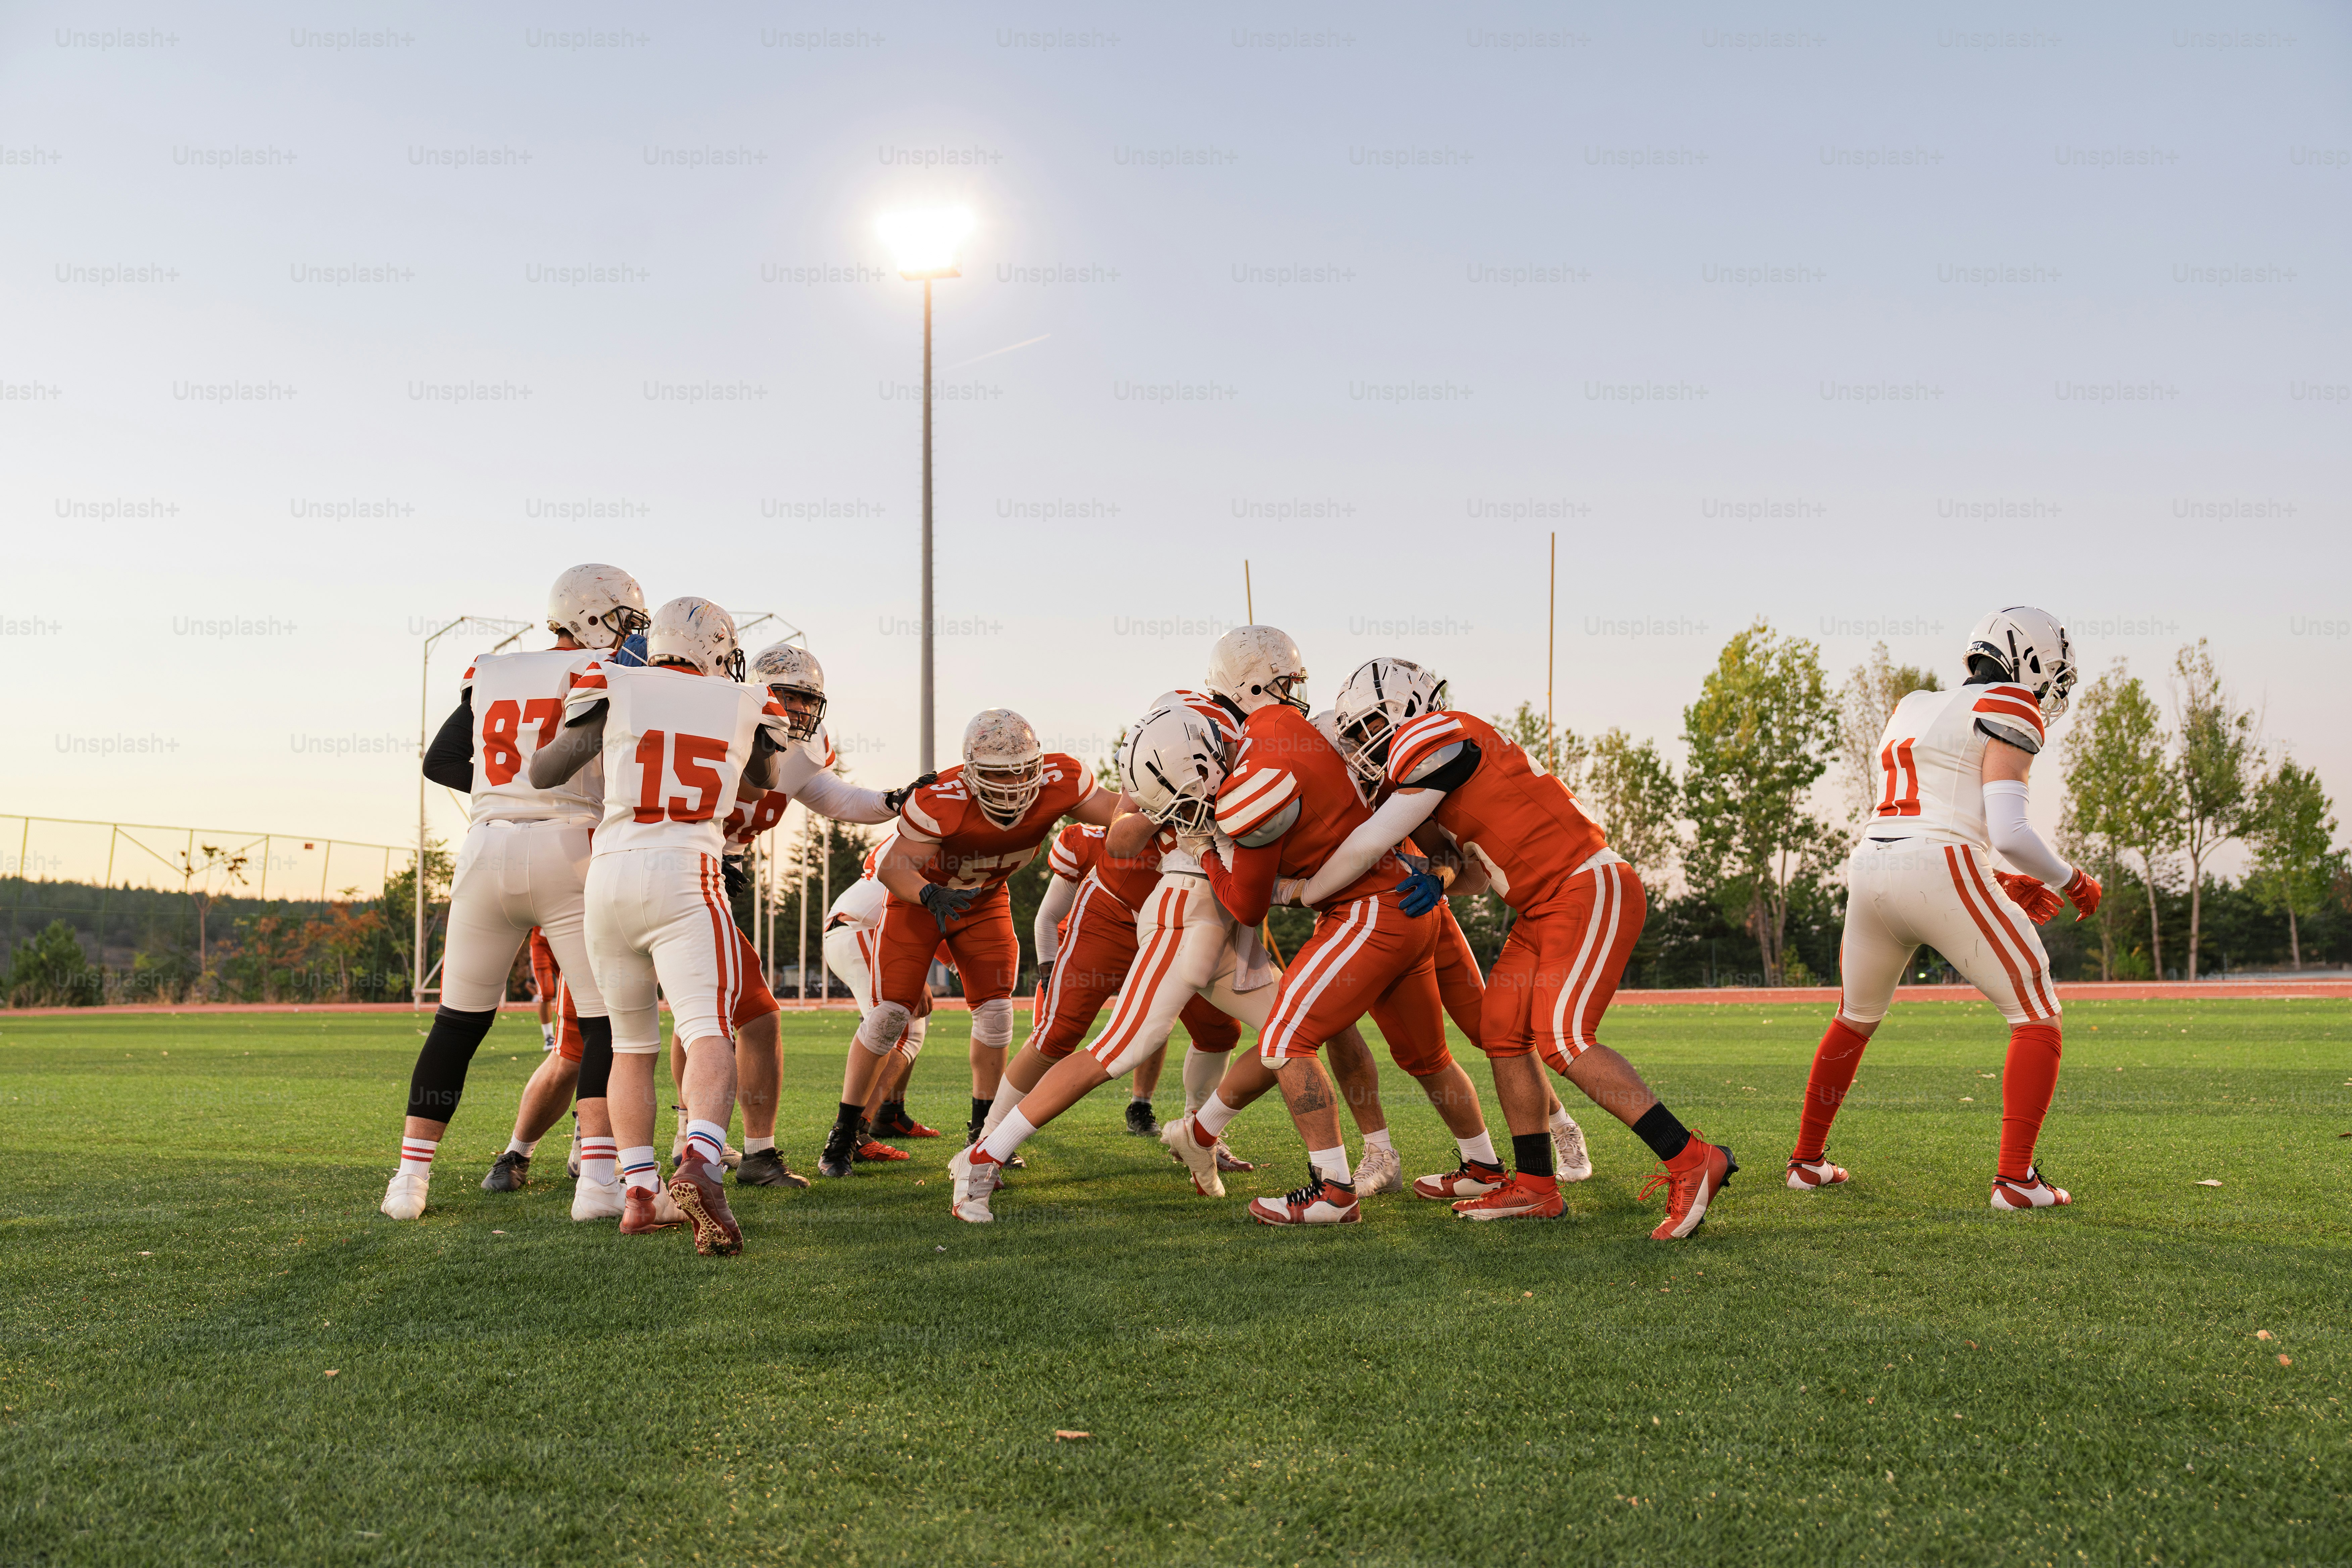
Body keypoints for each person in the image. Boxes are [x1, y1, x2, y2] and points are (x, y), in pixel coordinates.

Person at [528, 598, 911, 1254]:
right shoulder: (746, 706)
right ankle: (701, 1155)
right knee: (711, 1027)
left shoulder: (612, 682)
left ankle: (639, 1189)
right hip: (687, 873)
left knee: (634, 1043)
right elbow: (769, 779)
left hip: (612, 873)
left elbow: (546, 772)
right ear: (724, 656)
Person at [1318, 657, 1732, 1238]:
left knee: (1564, 1038)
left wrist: (1303, 888)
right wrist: (1437, 877)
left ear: (1404, 709)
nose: (1364, 743)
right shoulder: (1431, 771)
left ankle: (1692, 1158)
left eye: (1366, 727)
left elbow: (1369, 843)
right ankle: (1537, 1185)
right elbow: (1471, 874)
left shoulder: (1437, 733)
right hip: (1542, 905)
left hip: (1585, 883)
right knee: (1501, 1030)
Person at [1787, 607, 2100, 1211]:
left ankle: (1806, 1162)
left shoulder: (1912, 705)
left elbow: (1932, 811)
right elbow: (2007, 831)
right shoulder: (2012, 705)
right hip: (1941, 865)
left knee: (1855, 1017)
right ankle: (2015, 1181)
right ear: (2031, 660)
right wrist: (2073, 879)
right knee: (2037, 1012)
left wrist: (1998, 879)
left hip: (1874, 865)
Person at [382, 563, 646, 1222]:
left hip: (486, 847)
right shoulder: (606, 676)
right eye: (623, 619)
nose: (630, 635)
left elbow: (440, 761)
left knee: (459, 1022)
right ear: (595, 615)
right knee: (605, 1021)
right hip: (569, 849)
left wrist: (510, 794)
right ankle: (597, 1183)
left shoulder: (491, 671)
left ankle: (409, 1181)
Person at [838, 709, 1121, 1179]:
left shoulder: (1063, 778)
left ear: (1038, 763)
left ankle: (986, 1134)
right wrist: (929, 892)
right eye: (996, 773)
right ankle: (845, 1133)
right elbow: (892, 868)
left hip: (986, 900)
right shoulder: (940, 799)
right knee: (889, 1015)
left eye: (1022, 770)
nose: (1012, 784)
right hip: (922, 902)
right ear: (971, 770)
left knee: (996, 1014)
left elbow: (1122, 813)